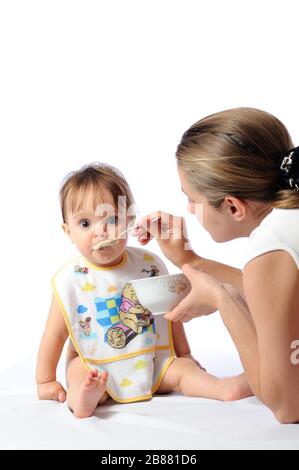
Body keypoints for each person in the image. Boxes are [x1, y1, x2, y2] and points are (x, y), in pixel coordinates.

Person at [35, 163, 251, 419]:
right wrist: (45, 381)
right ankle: (85, 397)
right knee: (79, 372)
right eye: (85, 223)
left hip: (152, 362)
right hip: (96, 363)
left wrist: (185, 354)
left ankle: (222, 387)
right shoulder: (71, 279)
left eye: (113, 220)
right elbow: (54, 334)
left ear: (129, 222)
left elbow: (170, 315)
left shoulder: (148, 265)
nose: (100, 231)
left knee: (182, 371)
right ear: (67, 231)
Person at [133, 107, 299, 424]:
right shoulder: (289, 223)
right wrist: (189, 260)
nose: (189, 209)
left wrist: (224, 301)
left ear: (233, 206)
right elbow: (279, 298)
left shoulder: (270, 247)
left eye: (192, 198)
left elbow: (288, 407)